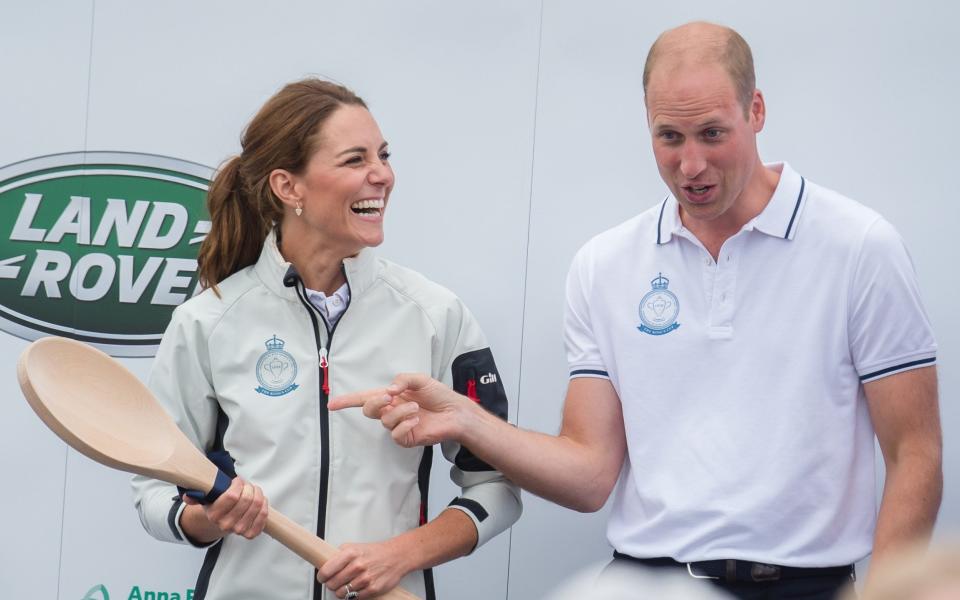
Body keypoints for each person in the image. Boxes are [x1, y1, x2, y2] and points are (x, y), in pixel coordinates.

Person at [330, 22, 942, 600]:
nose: (691, 165)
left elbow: (915, 452)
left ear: (755, 111)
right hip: (644, 583)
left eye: (712, 134)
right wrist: (467, 420)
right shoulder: (605, 265)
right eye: (669, 137)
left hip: (805, 585)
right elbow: (592, 474)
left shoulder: (858, 246)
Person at [131, 78, 521, 600]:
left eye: (383, 155)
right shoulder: (208, 321)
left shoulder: (434, 314)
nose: (381, 175)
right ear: (288, 187)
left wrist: (399, 555)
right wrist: (207, 519)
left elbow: (496, 486)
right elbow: (154, 493)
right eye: (355, 160)